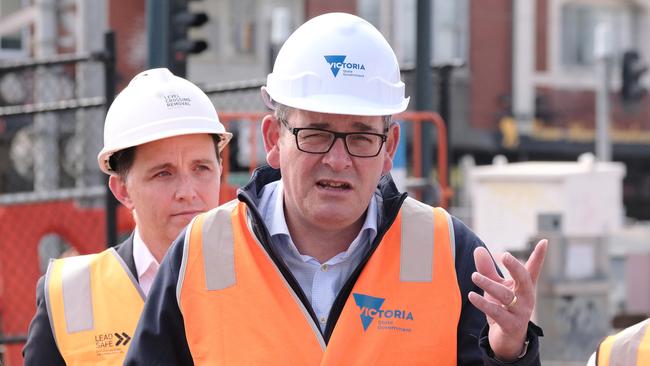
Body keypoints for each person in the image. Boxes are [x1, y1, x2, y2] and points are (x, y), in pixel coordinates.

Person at [124, 13, 547, 365]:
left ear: (389, 148)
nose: (338, 160)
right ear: (274, 139)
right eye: (317, 133)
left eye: (361, 137)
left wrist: (509, 352)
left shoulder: (448, 251)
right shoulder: (201, 252)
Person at [23, 68, 232, 365]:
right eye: (164, 173)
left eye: (201, 168)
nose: (187, 191)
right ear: (122, 189)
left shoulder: (263, 276)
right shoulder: (69, 297)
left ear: (220, 170)